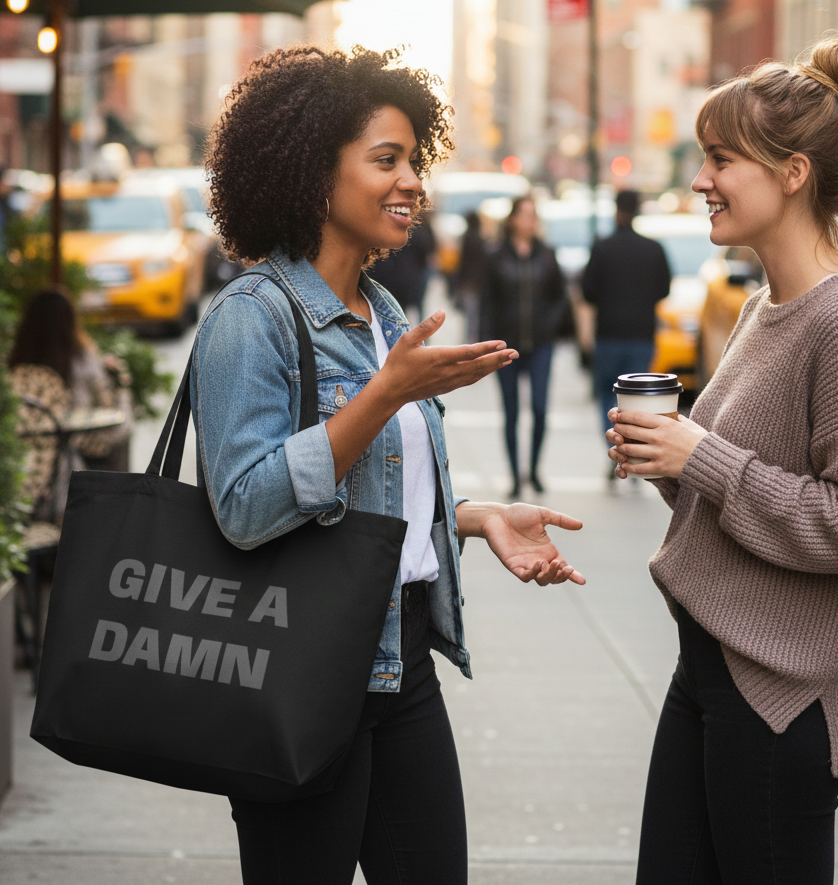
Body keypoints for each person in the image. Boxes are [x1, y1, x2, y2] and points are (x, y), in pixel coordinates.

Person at [196, 45, 585, 885]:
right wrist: (383, 395)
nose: (413, 180)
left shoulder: (380, 312)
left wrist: (474, 517)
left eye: (416, 160)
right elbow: (241, 505)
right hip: (299, 668)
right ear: (310, 173)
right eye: (386, 160)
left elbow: (376, 486)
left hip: (400, 659)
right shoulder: (251, 317)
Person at [607, 40, 838, 884]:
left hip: (785, 692)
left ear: (792, 174)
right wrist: (669, 456)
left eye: (721, 160)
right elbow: (737, 494)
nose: (702, 180)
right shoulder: (762, 307)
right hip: (712, 665)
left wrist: (700, 456)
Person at [481, 195, 568, 498]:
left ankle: (534, 469)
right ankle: (515, 477)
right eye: (524, 215)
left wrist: (551, 324)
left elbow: (560, 296)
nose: (529, 221)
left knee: (541, 409)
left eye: (534, 215)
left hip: (541, 344)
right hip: (507, 345)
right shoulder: (496, 256)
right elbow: (487, 304)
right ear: (513, 219)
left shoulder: (546, 255)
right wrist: (487, 347)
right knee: (511, 413)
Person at [581, 188, 671, 451]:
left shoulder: (602, 248)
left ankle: (613, 444)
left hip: (608, 334)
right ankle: (633, 447)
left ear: (616, 210)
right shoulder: (654, 249)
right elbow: (664, 289)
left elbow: (588, 291)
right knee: (638, 399)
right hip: (641, 335)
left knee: (608, 397)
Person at [8, 288, 133, 477]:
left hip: (24, 452)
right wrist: (121, 384)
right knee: (119, 435)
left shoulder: (16, 363)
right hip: (75, 449)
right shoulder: (82, 359)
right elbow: (110, 412)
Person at [368, 210, 436, 324]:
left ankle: (406, 333)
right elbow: (426, 254)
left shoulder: (391, 230)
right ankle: (421, 334)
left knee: (399, 309)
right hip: (413, 277)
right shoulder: (422, 231)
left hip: (395, 277)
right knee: (418, 307)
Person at [453, 210, 486, 343]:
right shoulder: (481, 240)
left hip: (468, 282)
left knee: (470, 315)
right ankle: (472, 339)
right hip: (477, 282)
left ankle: (470, 340)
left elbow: (463, 262)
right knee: (474, 315)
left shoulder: (467, 238)